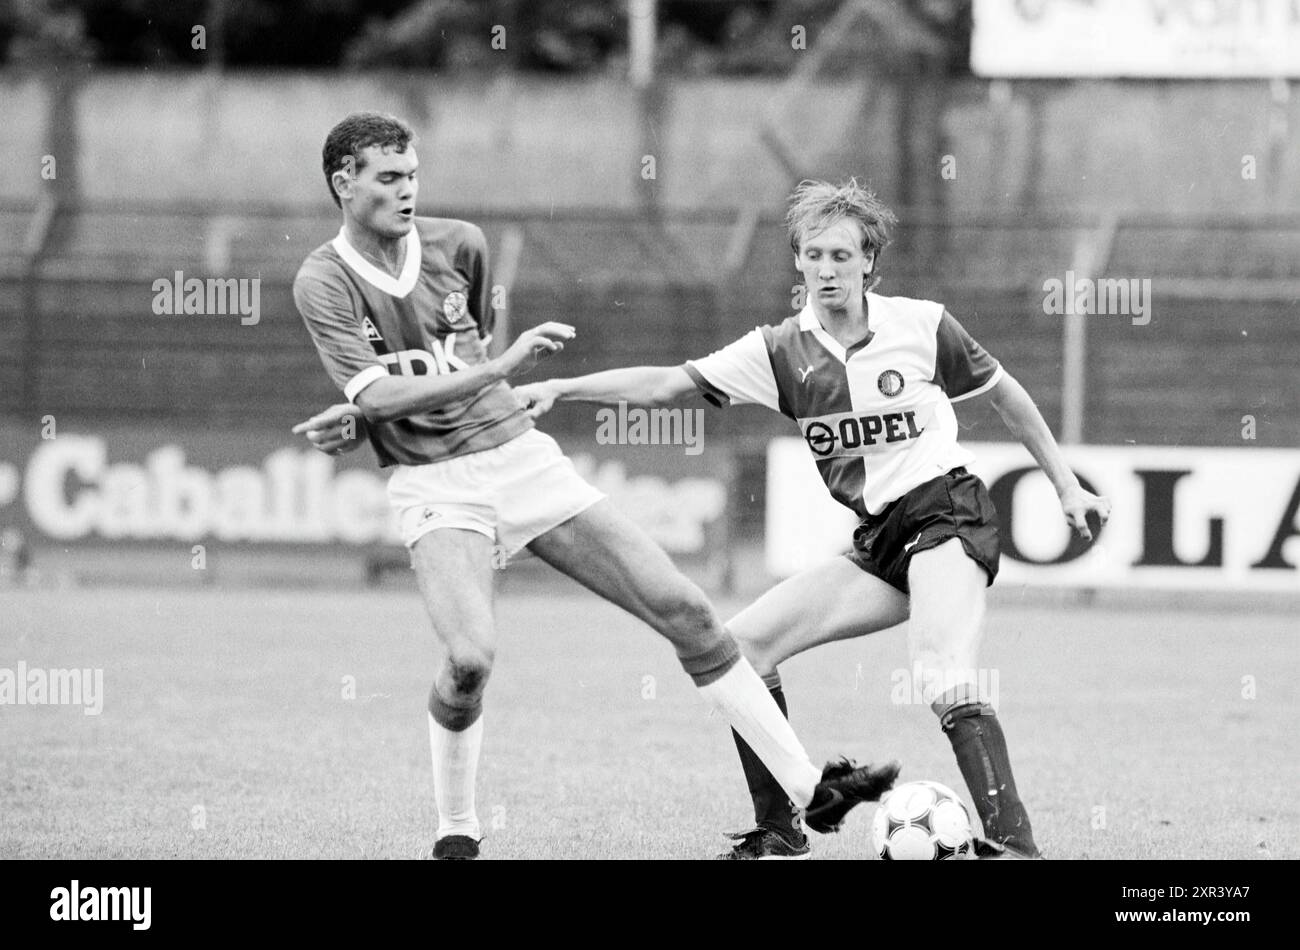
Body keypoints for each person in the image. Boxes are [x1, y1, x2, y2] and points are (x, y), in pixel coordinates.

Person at [291, 115, 898, 860]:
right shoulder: (321, 278)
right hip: (434, 485)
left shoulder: (462, 246)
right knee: (468, 662)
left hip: (520, 458)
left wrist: (430, 391)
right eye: (388, 178)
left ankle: (810, 792)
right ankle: (457, 830)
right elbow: (398, 391)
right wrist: (460, 382)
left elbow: (439, 364)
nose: (407, 191)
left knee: (689, 612)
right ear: (342, 183)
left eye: (412, 175)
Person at [516, 179, 1112, 860]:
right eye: (813, 255)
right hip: (881, 538)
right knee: (739, 649)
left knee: (941, 670)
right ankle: (780, 829)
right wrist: (562, 387)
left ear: (868, 264)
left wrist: (1065, 485)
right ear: (797, 263)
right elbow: (663, 384)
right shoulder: (777, 352)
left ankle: (1015, 847)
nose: (827, 269)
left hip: (948, 511)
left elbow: (1008, 398)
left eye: (841, 255)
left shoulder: (921, 325)